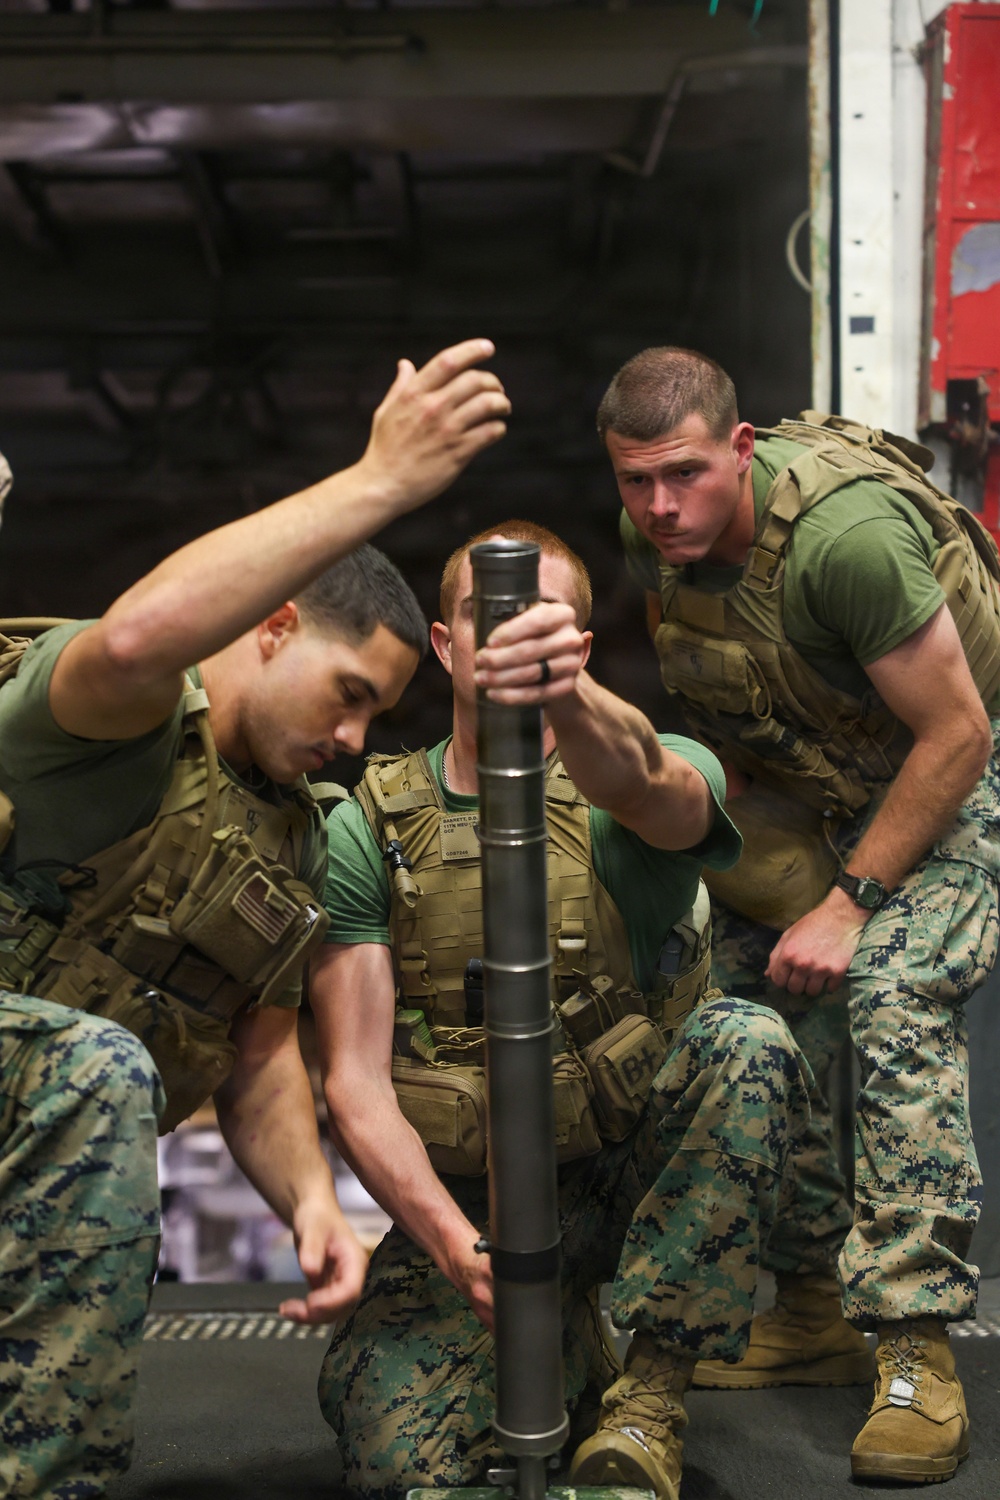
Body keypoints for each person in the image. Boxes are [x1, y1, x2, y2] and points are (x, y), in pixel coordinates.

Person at [0, 338, 510, 1500]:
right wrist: (379, 481)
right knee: (97, 1068)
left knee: (106, 1070)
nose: (355, 740)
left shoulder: (291, 832)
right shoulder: (106, 721)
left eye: (380, 717)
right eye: (349, 695)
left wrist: (313, 1203)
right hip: (40, 1093)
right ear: (273, 627)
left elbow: (258, 1053)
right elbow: (137, 634)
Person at [311, 519, 817, 1500]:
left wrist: (565, 696)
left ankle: (651, 1397)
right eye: (488, 621)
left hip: (631, 1187)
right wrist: (462, 1257)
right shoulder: (367, 824)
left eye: (541, 624)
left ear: (579, 647)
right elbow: (355, 1080)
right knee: (395, 1459)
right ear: (444, 645)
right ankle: (574, 1350)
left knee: (743, 1039)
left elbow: (655, 789)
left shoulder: (641, 778)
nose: (509, 640)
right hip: (476, 1207)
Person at [602, 344, 1000, 1485]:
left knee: (890, 989)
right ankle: (814, 1300)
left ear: (740, 448)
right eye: (635, 481)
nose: (661, 507)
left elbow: (958, 735)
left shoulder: (847, 541)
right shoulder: (657, 534)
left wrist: (848, 901)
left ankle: (917, 1346)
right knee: (735, 1005)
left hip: (962, 764)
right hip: (825, 778)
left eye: (682, 475)